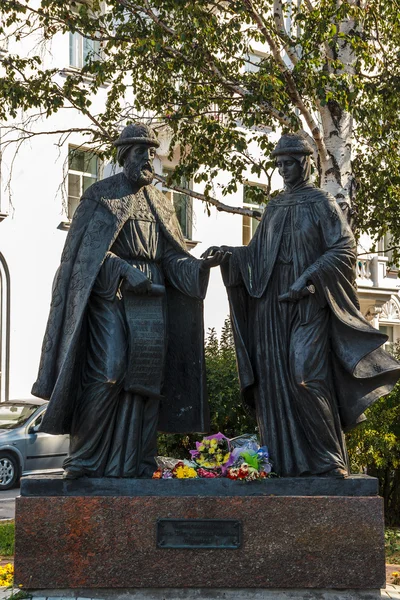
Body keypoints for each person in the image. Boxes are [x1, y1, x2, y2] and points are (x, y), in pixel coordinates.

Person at [32, 123, 225, 479]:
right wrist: (122, 270)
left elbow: (170, 257)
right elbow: (81, 261)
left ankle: (136, 459)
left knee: (146, 380)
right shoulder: (100, 196)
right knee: (109, 371)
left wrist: (199, 266)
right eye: (141, 152)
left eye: (152, 152)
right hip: (113, 298)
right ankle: (86, 457)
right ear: (124, 155)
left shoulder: (160, 203)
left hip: (153, 300)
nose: (149, 159)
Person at [203, 133, 400, 478]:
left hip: (308, 305)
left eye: (289, 163)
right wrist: (230, 255)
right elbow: (258, 254)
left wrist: (308, 277)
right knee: (273, 383)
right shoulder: (275, 206)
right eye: (279, 164)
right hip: (271, 307)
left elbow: (344, 249)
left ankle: (328, 458)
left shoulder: (321, 203)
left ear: (306, 162)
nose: (283, 170)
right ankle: (282, 461)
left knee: (305, 376)